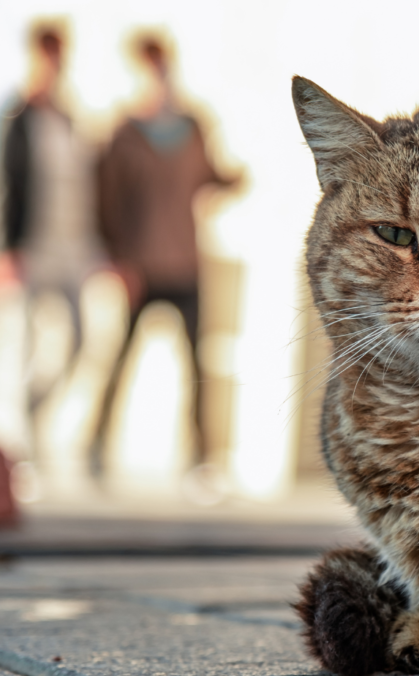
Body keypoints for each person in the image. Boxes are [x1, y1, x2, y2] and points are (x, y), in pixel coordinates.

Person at [95, 33, 240, 468]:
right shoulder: (123, 135)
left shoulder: (193, 126)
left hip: (185, 264)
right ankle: (97, 446)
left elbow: (209, 175)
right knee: (119, 359)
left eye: (162, 65)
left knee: (196, 366)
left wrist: (236, 179)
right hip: (142, 267)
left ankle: (200, 458)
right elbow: (108, 203)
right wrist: (119, 260)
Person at [0, 22, 104, 426]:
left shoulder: (70, 119)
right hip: (31, 249)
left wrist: (97, 247)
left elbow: (86, 188)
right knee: (21, 345)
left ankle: (32, 411)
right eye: (47, 52)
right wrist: (6, 249)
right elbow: (6, 184)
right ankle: (18, 440)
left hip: (73, 250)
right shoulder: (18, 116)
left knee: (80, 341)